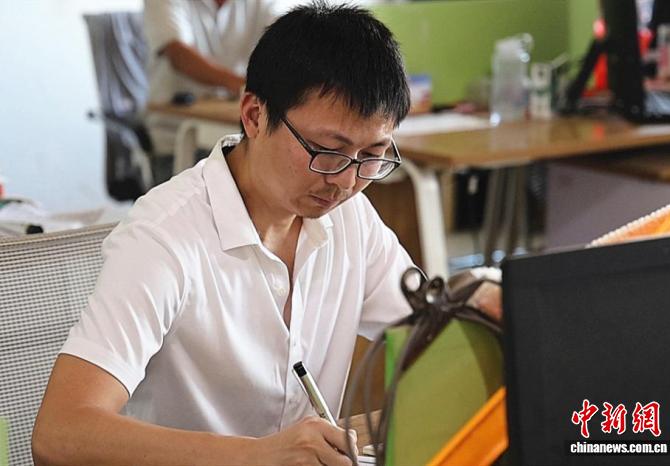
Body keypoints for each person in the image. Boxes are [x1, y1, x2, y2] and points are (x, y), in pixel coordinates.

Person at [33, 3, 414, 465]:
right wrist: (259, 456)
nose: (346, 181)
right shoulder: (165, 236)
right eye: (326, 150)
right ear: (254, 115)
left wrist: (477, 299)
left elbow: (428, 327)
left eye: (372, 155)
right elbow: (59, 433)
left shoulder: (351, 217)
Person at [143, 0, 283, 183]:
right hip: (175, 139)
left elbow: (285, 37)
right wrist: (247, 85)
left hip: (238, 140)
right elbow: (178, 54)